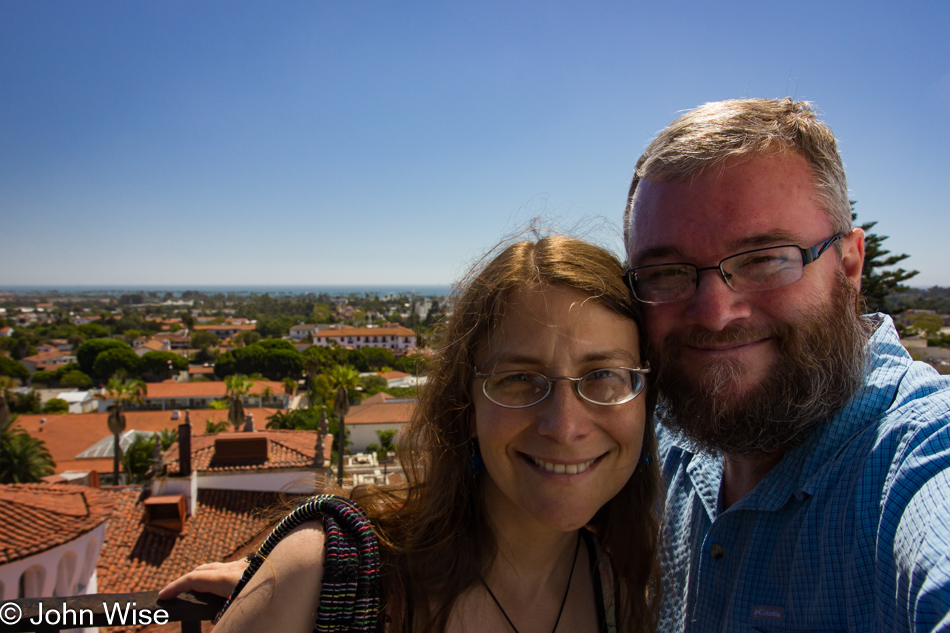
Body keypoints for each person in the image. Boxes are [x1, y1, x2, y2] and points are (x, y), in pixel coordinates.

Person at [160, 235, 662, 633]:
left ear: (644, 401)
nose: (565, 425)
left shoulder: (623, 590)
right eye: (519, 379)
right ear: (465, 407)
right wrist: (293, 586)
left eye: (605, 376)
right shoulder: (325, 576)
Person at [622, 97, 950, 632]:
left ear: (848, 267)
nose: (715, 314)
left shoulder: (915, 458)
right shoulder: (662, 441)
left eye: (764, 260)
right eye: (667, 272)